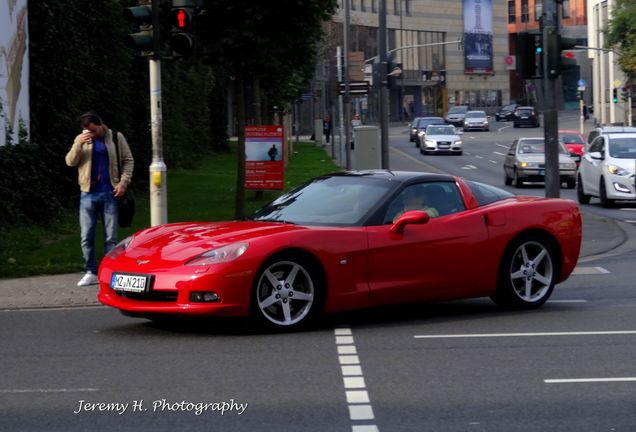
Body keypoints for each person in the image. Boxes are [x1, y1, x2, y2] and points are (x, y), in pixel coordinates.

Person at [65, 112, 134, 286]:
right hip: (88, 193)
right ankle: (91, 270)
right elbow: (70, 162)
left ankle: (109, 272)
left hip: (110, 193)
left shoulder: (116, 137)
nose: (90, 133)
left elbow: (128, 160)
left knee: (110, 237)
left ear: (100, 125)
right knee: (86, 235)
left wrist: (123, 183)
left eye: (93, 130)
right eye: (86, 130)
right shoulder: (81, 140)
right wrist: (79, 144)